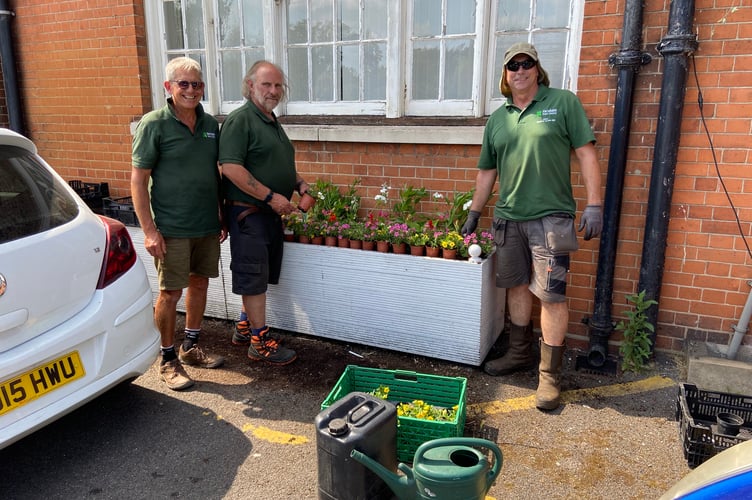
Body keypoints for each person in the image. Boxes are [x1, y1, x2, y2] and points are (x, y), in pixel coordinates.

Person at [461, 42, 603, 411]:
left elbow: (587, 153)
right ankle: (519, 353)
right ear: (505, 76)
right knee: (516, 287)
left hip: (551, 219)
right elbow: (487, 170)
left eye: (527, 64)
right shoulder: (499, 118)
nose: (520, 70)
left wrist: (595, 204)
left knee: (552, 296)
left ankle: (549, 376)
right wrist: (475, 212)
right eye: (512, 66)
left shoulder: (563, 103)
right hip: (509, 218)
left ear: (538, 70)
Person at [131, 57, 225, 391]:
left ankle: (190, 347)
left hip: (206, 226)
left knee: (200, 284)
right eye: (183, 83)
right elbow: (138, 181)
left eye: (196, 84)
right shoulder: (153, 124)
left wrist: (220, 215)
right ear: (168, 87)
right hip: (171, 228)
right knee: (171, 293)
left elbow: (213, 174)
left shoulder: (211, 124)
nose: (190, 90)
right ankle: (167, 358)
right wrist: (149, 231)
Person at [219, 60, 312, 365]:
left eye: (278, 85)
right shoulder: (241, 120)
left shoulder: (270, 120)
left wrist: (300, 185)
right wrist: (271, 197)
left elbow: (278, 162)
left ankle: (245, 327)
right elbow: (230, 167)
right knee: (253, 277)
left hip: (267, 213)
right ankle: (259, 341)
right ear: (250, 86)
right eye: (266, 85)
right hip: (250, 213)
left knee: (257, 275)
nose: (273, 91)